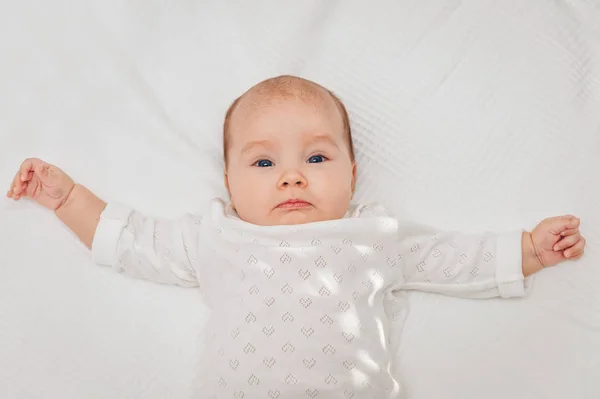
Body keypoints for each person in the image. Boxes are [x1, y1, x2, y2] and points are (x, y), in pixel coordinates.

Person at [6, 75, 586, 398]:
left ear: (352, 174)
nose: (291, 174)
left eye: (316, 155)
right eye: (263, 163)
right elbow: (135, 241)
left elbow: (451, 258)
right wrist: (67, 198)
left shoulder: (371, 235)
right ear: (229, 183)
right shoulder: (217, 235)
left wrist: (529, 250)